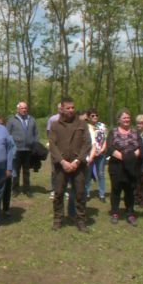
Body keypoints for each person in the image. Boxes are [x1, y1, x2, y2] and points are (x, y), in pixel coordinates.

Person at [48, 97, 92, 232]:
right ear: (62, 109)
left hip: (78, 166)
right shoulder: (55, 125)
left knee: (80, 193)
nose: (71, 110)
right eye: (68, 108)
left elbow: (87, 144)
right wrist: (62, 161)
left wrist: (77, 161)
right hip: (61, 166)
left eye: (73, 107)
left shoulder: (82, 124)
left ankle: (81, 220)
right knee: (59, 193)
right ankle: (58, 219)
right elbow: (53, 145)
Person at [106, 109, 143, 226]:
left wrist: (130, 157)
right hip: (117, 167)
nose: (127, 120)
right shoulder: (113, 132)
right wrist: (125, 157)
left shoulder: (135, 133)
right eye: (124, 118)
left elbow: (141, 148)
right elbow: (110, 148)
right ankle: (115, 213)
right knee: (116, 190)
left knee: (130, 191)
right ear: (119, 120)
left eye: (128, 117)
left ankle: (130, 213)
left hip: (132, 167)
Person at [6, 101, 38, 202]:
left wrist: (36, 144)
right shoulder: (12, 120)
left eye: (25, 108)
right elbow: (7, 134)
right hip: (16, 149)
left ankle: (27, 189)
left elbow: (36, 133)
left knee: (26, 171)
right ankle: (15, 189)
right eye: (22, 108)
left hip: (28, 149)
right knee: (15, 170)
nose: (24, 110)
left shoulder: (32, 119)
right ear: (18, 109)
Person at [85, 108, 107, 202]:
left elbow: (105, 139)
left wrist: (102, 149)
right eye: (92, 115)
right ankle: (87, 193)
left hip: (101, 154)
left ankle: (102, 194)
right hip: (89, 154)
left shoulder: (102, 125)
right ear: (89, 117)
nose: (95, 117)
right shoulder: (85, 126)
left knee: (101, 174)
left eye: (96, 115)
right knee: (88, 174)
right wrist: (90, 154)